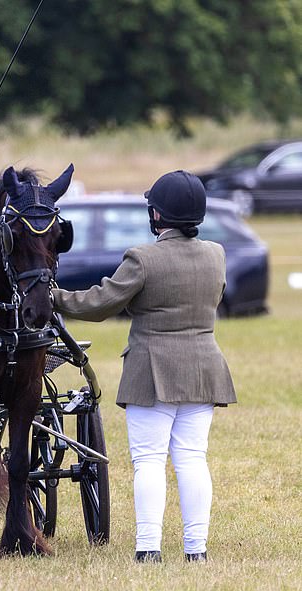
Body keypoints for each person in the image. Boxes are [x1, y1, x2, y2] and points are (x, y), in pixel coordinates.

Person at [52, 170, 237, 563]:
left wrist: (55, 298)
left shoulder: (143, 257)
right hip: (204, 365)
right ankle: (196, 550)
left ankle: (148, 548)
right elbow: (214, 297)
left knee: (149, 460)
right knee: (192, 457)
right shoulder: (216, 254)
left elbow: (101, 303)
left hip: (152, 368)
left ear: (158, 216)